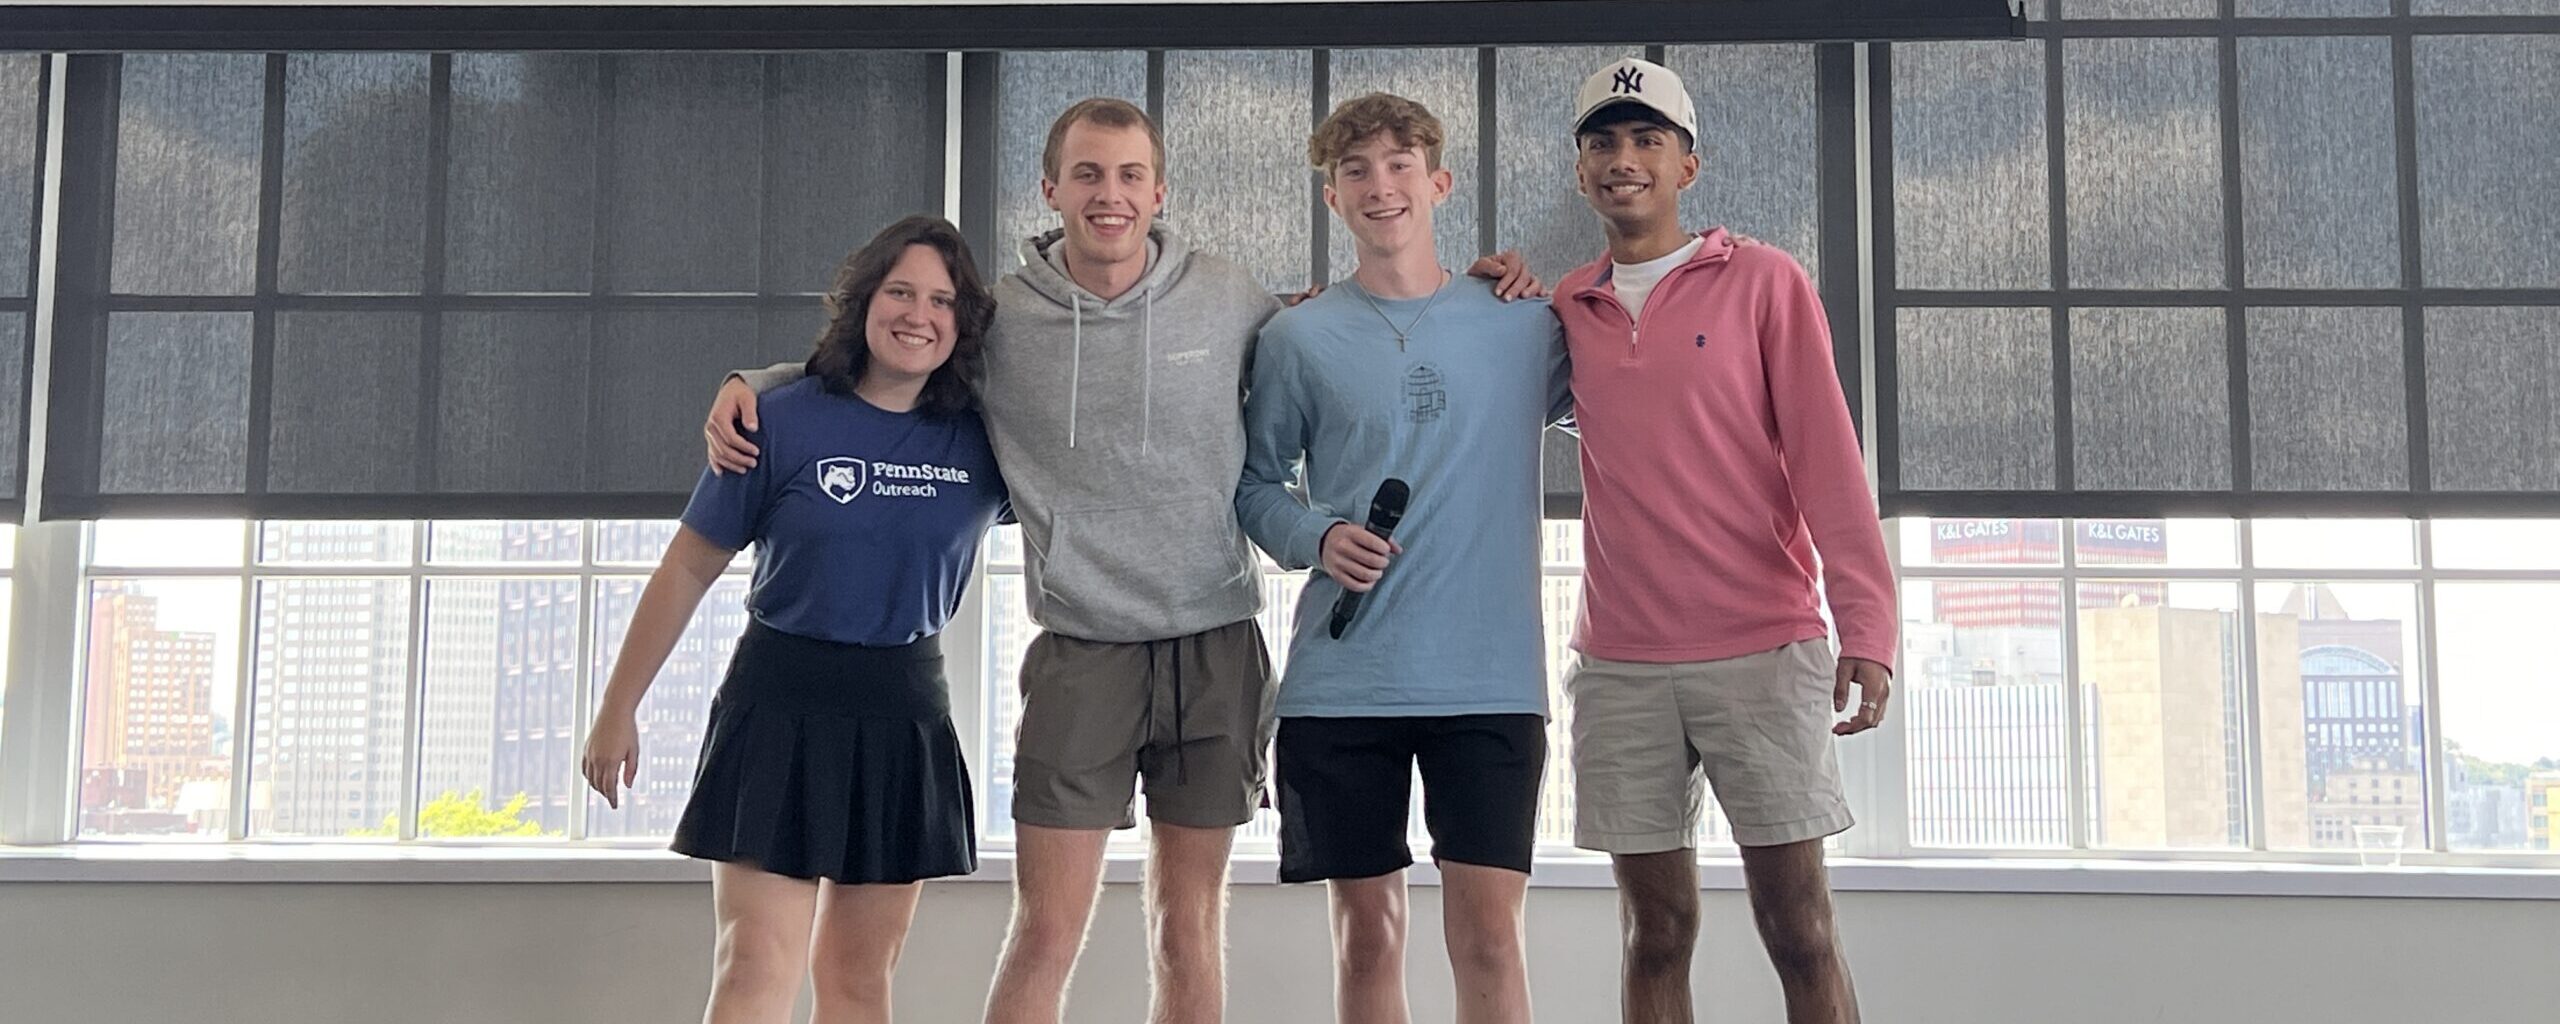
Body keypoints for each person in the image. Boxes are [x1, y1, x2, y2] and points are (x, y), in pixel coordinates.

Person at [701, 97, 1536, 1024]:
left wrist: (1481, 285)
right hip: (1080, 650)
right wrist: (759, 382)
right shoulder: (1000, 321)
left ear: (1159, 191)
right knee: (1046, 932)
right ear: (1052, 188)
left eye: (1131, 175)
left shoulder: (1229, 299)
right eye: (1089, 174)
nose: (1111, 194)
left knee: (1188, 927)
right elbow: (886, 361)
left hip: (1215, 644)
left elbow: (1342, 336)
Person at [581, 214, 1010, 1024]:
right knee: (754, 965)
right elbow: (687, 567)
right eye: (901, 292)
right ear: (864, 302)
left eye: (942, 301)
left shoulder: (985, 442)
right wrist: (617, 706)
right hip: (777, 700)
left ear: (964, 323)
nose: (919, 315)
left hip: (902, 712)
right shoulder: (777, 419)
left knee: (858, 979)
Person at [1549, 58, 1898, 1024]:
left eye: (1647, 140)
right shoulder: (1565, 308)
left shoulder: (1764, 282)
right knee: (1653, 936)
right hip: (1621, 664)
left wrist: (1868, 626)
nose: (1624, 160)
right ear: (1581, 173)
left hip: (1764, 650)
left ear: (1687, 167)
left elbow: (1829, 463)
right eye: (1604, 143)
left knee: (1801, 932)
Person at [1235, 92, 1567, 1024]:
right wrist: (1315, 537)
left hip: (1489, 680)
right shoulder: (1295, 337)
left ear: (1439, 182)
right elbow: (1256, 485)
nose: (1379, 185)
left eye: (1397, 165)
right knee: (1369, 938)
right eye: (1355, 171)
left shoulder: (1525, 324)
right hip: (1346, 683)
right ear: (1333, 198)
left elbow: (1624, 399)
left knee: (1491, 940)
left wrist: (1535, 286)